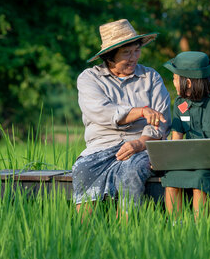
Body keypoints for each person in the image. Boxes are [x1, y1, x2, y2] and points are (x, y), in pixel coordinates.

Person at [72, 19, 171, 214]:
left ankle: (126, 230)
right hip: (102, 147)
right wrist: (140, 111)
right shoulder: (89, 78)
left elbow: (162, 119)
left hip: (143, 146)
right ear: (110, 56)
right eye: (127, 53)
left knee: (131, 170)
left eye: (136, 50)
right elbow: (102, 112)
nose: (134, 57)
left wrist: (140, 143)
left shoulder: (151, 77)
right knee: (82, 169)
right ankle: (83, 234)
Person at [161, 51, 210, 217]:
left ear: (187, 82)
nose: (173, 82)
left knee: (199, 180)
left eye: (175, 78)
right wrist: (165, 160)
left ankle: (199, 228)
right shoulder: (180, 103)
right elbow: (176, 140)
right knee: (171, 179)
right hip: (190, 159)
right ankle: (176, 226)